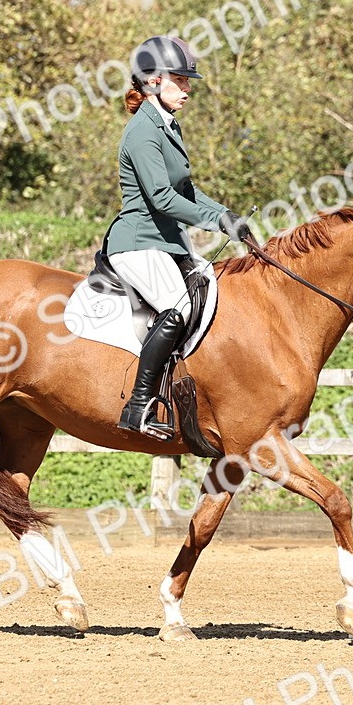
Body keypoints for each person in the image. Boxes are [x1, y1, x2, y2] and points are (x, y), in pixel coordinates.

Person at [104, 35, 252, 439]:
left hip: (167, 243)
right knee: (179, 308)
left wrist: (225, 214)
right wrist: (218, 224)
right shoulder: (142, 131)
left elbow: (185, 190)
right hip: (138, 241)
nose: (188, 89)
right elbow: (162, 198)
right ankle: (137, 407)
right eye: (180, 81)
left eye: (188, 82)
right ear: (152, 81)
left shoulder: (168, 126)